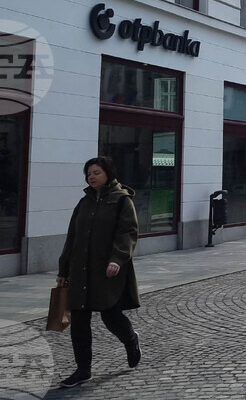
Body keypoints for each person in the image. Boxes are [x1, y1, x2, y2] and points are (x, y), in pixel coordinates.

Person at [57, 157, 141, 388]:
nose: (91, 177)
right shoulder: (84, 202)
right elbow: (71, 237)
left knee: (111, 315)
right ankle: (83, 370)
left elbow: (128, 232)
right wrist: (63, 268)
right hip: (80, 270)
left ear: (108, 174)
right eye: (88, 173)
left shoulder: (122, 200)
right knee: (79, 321)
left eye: (96, 172)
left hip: (107, 271)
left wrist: (117, 259)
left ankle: (131, 339)